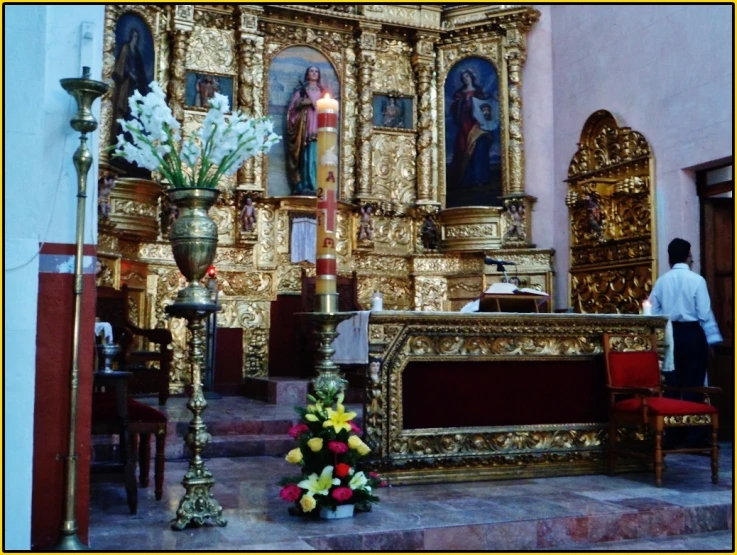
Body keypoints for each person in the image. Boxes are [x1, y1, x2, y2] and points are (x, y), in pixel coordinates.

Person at [650, 238, 722, 448]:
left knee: (672, 385)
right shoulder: (696, 280)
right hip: (692, 335)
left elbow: (654, 313)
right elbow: (704, 313)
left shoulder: (661, 281)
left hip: (671, 335)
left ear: (670, 257)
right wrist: (712, 340)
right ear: (688, 255)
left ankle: (672, 435)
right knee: (694, 386)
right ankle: (694, 436)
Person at [448, 69, 495, 190]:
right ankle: (466, 179)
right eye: (463, 77)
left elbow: (484, 106)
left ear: (472, 77)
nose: (465, 79)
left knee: (479, 149)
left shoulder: (478, 92)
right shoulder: (459, 93)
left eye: (467, 76)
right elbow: (454, 109)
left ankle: (480, 178)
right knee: (463, 149)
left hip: (477, 125)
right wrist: (462, 104)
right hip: (465, 124)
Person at [286, 66, 328, 195]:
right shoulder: (301, 92)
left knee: (315, 157)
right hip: (304, 128)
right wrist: (303, 102)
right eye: (312, 71)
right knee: (305, 157)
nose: (314, 73)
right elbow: (292, 110)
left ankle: (315, 184)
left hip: (319, 127)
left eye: (317, 71)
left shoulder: (323, 93)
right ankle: (304, 184)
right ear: (307, 74)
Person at [111, 29, 149, 141]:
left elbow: (140, 70)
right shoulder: (125, 48)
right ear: (131, 36)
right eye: (134, 36)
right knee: (124, 109)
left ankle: (130, 137)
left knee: (133, 112)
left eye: (137, 37)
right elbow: (121, 66)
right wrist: (130, 74)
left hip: (136, 86)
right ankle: (119, 136)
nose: (135, 38)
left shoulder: (136, 51)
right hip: (126, 85)